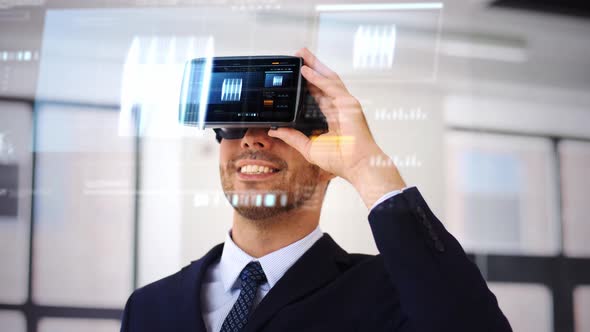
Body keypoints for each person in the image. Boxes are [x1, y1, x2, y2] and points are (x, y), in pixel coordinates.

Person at [120, 48, 512, 332]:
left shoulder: (389, 291)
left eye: (282, 128)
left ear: (327, 166)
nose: (253, 141)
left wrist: (364, 165)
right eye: (233, 127)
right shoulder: (149, 307)